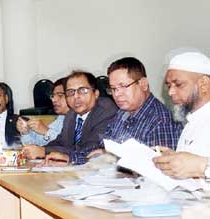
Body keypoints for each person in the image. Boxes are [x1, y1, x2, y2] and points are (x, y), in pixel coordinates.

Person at [83, 57, 182, 158]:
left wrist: (113, 157)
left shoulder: (161, 121)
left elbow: (158, 168)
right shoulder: (122, 112)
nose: (117, 94)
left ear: (143, 84)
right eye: (113, 88)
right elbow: (103, 146)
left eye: (124, 86)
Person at [38, 71, 118, 165]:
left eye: (83, 90)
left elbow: (90, 147)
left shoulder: (106, 110)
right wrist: (40, 149)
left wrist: (44, 151)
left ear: (95, 93)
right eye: (70, 92)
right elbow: (61, 141)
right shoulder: (71, 114)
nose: (76, 96)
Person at [153, 51, 210, 179]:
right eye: (169, 86)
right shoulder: (192, 122)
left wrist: (201, 166)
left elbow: (199, 164)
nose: (171, 92)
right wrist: (173, 159)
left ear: (204, 84)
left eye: (178, 84)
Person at [18, 77, 69, 147]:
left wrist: (46, 131)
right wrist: (25, 132)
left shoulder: (81, 120)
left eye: (60, 95)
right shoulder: (61, 118)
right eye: (53, 96)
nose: (54, 100)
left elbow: (70, 147)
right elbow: (38, 145)